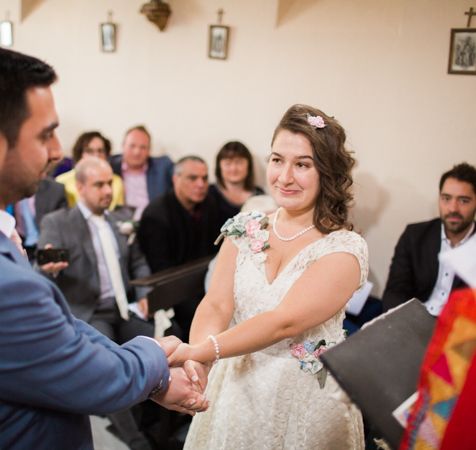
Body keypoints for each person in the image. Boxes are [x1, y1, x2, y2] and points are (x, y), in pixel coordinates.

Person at [0, 44, 208, 450]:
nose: (58, 151)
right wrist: (155, 357)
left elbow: (57, 334)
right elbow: (89, 378)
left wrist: (140, 365)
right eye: (45, 134)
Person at [168, 105, 369, 449]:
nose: (284, 177)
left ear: (328, 173)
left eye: (302, 165)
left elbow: (283, 323)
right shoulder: (246, 225)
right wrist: (196, 363)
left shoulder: (344, 249)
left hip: (304, 401)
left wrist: (203, 350)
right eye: (277, 160)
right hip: (236, 386)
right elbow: (216, 303)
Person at [39, 157, 168, 449]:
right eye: (99, 184)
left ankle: (154, 422)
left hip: (124, 309)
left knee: (165, 343)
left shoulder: (119, 219)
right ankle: (136, 441)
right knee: (109, 365)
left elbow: (138, 263)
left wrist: (146, 294)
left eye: (109, 183)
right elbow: (44, 264)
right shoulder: (58, 222)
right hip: (90, 312)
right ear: (81, 187)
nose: (107, 190)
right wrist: (50, 266)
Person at [138, 156, 222, 339]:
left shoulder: (210, 205)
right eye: (193, 178)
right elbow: (161, 270)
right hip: (171, 292)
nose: (200, 184)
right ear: (176, 179)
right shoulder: (156, 214)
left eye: (204, 178)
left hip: (204, 282)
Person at [382, 163, 476, 315]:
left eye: (463, 201)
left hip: (456, 330)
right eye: (446, 198)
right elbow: (396, 291)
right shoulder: (414, 236)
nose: (453, 208)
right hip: (413, 322)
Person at [110, 125, 174, 220]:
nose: (137, 152)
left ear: (149, 150)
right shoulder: (110, 166)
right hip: (120, 225)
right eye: (132, 146)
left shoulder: (163, 166)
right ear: (123, 146)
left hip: (153, 224)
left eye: (143, 147)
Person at [55, 131, 125, 209]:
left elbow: (118, 214)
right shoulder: (62, 182)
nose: (96, 155)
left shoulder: (116, 181)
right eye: (89, 151)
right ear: (80, 153)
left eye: (100, 151)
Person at [11, 175, 67, 262]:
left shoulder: (55, 190)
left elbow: (62, 229)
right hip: (16, 247)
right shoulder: (3, 189)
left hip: (46, 248)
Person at [208, 141, 265, 225]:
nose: (233, 168)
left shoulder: (259, 195)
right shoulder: (209, 193)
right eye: (227, 163)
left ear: (248, 165)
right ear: (219, 167)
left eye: (239, 162)